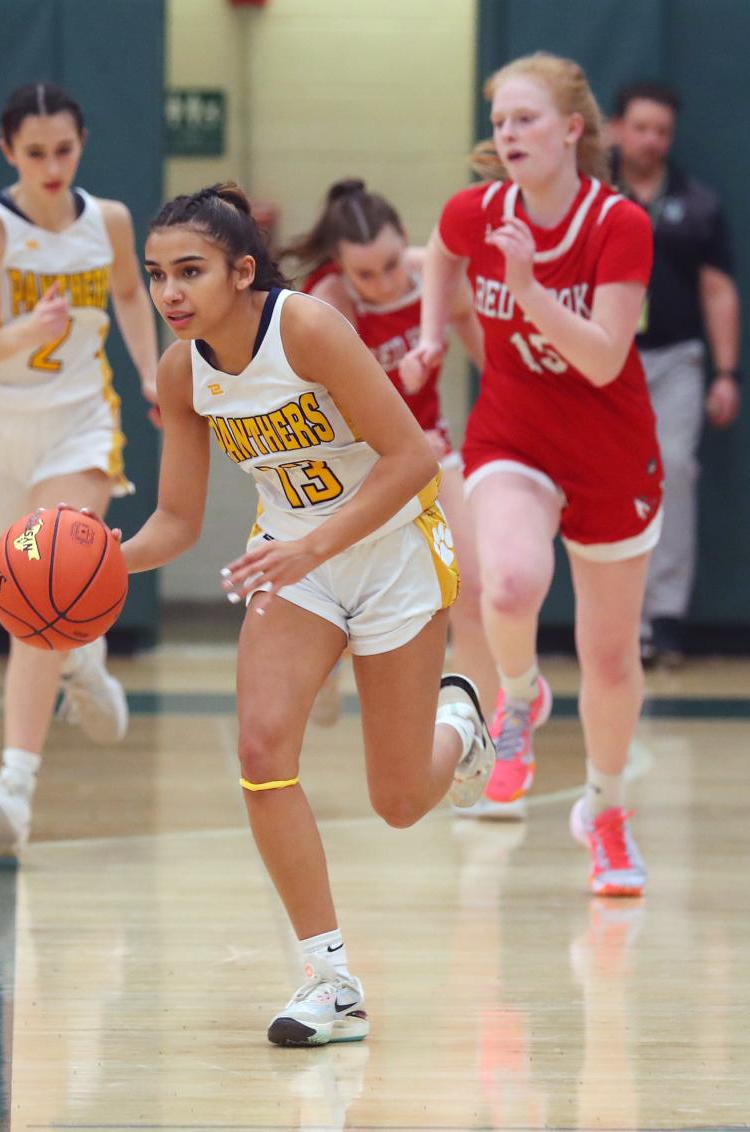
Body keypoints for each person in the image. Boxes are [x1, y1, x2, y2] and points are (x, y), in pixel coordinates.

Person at [124, 182, 496, 1046]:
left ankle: (461, 727)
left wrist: (314, 545)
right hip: (295, 565)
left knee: (400, 800)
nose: (170, 293)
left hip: (393, 550)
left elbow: (408, 458)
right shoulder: (184, 372)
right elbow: (177, 521)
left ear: (242, 270)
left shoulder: (309, 329)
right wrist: (100, 555)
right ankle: (330, 982)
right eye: (156, 275)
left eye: (190, 272)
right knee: (261, 750)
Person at [401, 53, 660, 896]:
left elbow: (602, 357)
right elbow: (437, 255)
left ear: (573, 129)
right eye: (500, 121)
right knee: (507, 587)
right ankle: (518, 699)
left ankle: (605, 812)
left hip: (612, 448)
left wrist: (526, 286)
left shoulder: (618, 224)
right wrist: (436, 334)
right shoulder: (474, 212)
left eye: (526, 119)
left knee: (610, 656)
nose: (507, 134)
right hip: (513, 434)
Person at [0, 83, 158, 858]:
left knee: (44, 577)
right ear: (6, 152)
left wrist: (152, 374)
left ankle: (14, 788)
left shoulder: (110, 222)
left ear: (82, 142)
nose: (52, 167)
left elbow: (128, 293)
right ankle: (83, 657)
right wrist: (17, 333)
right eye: (34, 153)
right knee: (39, 609)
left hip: (79, 424)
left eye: (65, 150)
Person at [282, 179, 497, 722]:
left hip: (428, 447)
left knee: (474, 585)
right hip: (353, 460)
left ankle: (477, 727)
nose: (382, 284)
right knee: (361, 600)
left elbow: (485, 349)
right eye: (365, 274)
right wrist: (389, 383)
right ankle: (330, 657)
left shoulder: (438, 274)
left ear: (407, 238)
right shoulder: (326, 301)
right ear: (340, 266)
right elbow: (327, 410)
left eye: (392, 265)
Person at [609, 81, 741, 668]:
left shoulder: (698, 202)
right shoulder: (591, 192)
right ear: (617, 128)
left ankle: (664, 620)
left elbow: (717, 289)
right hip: (604, 358)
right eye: (641, 128)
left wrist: (726, 372)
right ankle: (619, 621)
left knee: (675, 472)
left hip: (677, 359)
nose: (651, 140)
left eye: (661, 131)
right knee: (610, 479)